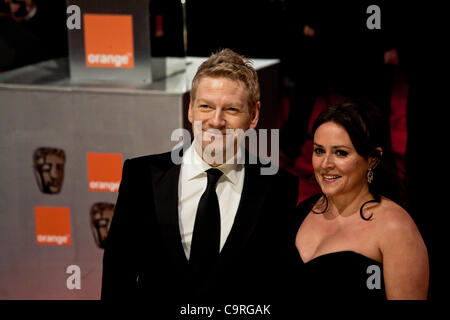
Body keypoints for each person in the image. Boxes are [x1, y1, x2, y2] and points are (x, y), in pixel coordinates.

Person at [101, 49, 299, 306]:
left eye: (231, 109)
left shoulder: (278, 187)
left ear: (254, 115)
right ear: (191, 109)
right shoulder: (141, 177)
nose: (216, 121)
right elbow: (118, 275)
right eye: (206, 106)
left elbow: (275, 286)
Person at [294, 100, 429, 299]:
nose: (325, 164)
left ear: (372, 160)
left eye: (341, 153)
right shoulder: (303, 210)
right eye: (319, 151)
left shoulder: (396, 228)